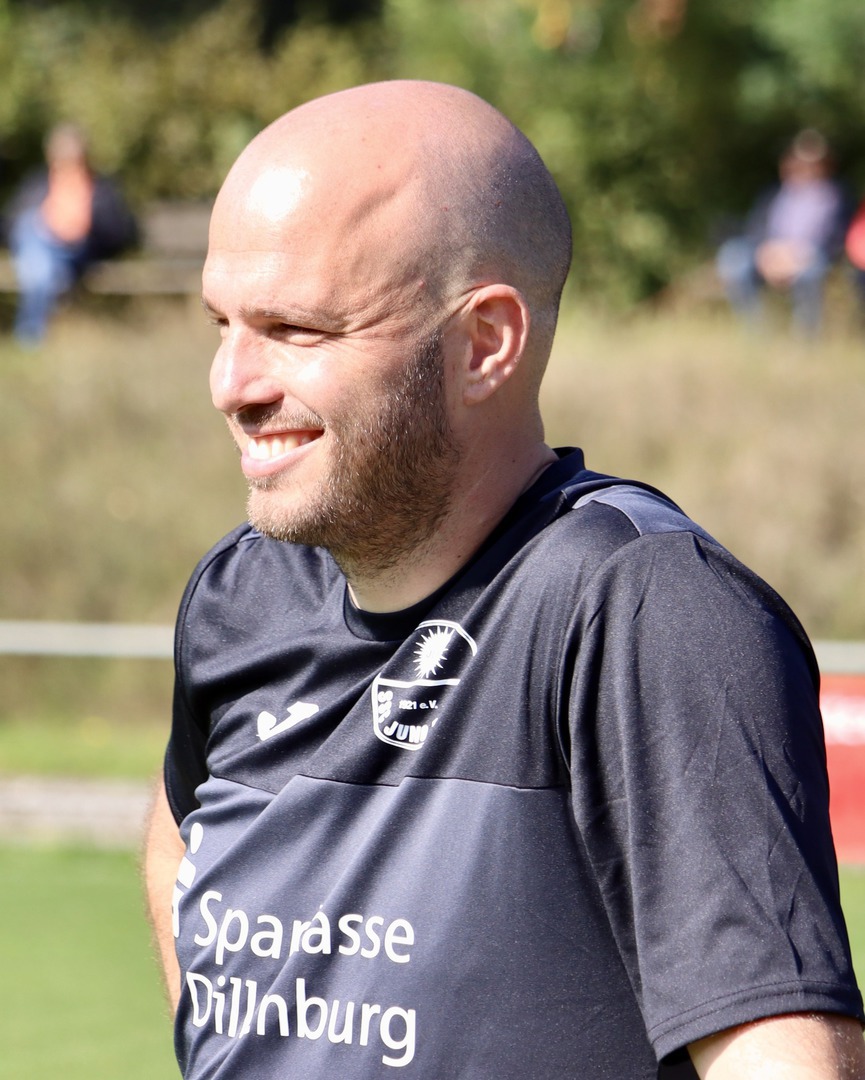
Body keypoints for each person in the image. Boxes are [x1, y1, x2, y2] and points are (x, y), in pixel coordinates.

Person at [144, 81, 865, 1079]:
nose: (231, 384)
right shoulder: (240, 593)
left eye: (296, 330)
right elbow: (178, 838)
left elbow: (781, 1060)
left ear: (484, 343)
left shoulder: (640, 607)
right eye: (221, 323)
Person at [3, 123, 137, 344]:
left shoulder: (101, 189)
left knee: (42, 270)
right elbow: (10, 223)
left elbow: (121, 231)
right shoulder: (37, 184)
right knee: (32, 231)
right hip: (35, 244)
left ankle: (29, 336)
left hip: (74, 251)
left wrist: (84, 229)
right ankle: (31, 334)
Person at [715, 129, 850, 335]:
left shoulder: (837, 196)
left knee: (811, 271)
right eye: (800, 161)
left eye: (812, 162)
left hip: (811, 255)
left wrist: (798, 255)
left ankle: (806, 337)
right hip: (769, 253)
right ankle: (755, 332)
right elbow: (756, 227)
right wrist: (766, 253)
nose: (805, 167)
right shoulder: (774, 193)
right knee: (734, 257)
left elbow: (837, 237)